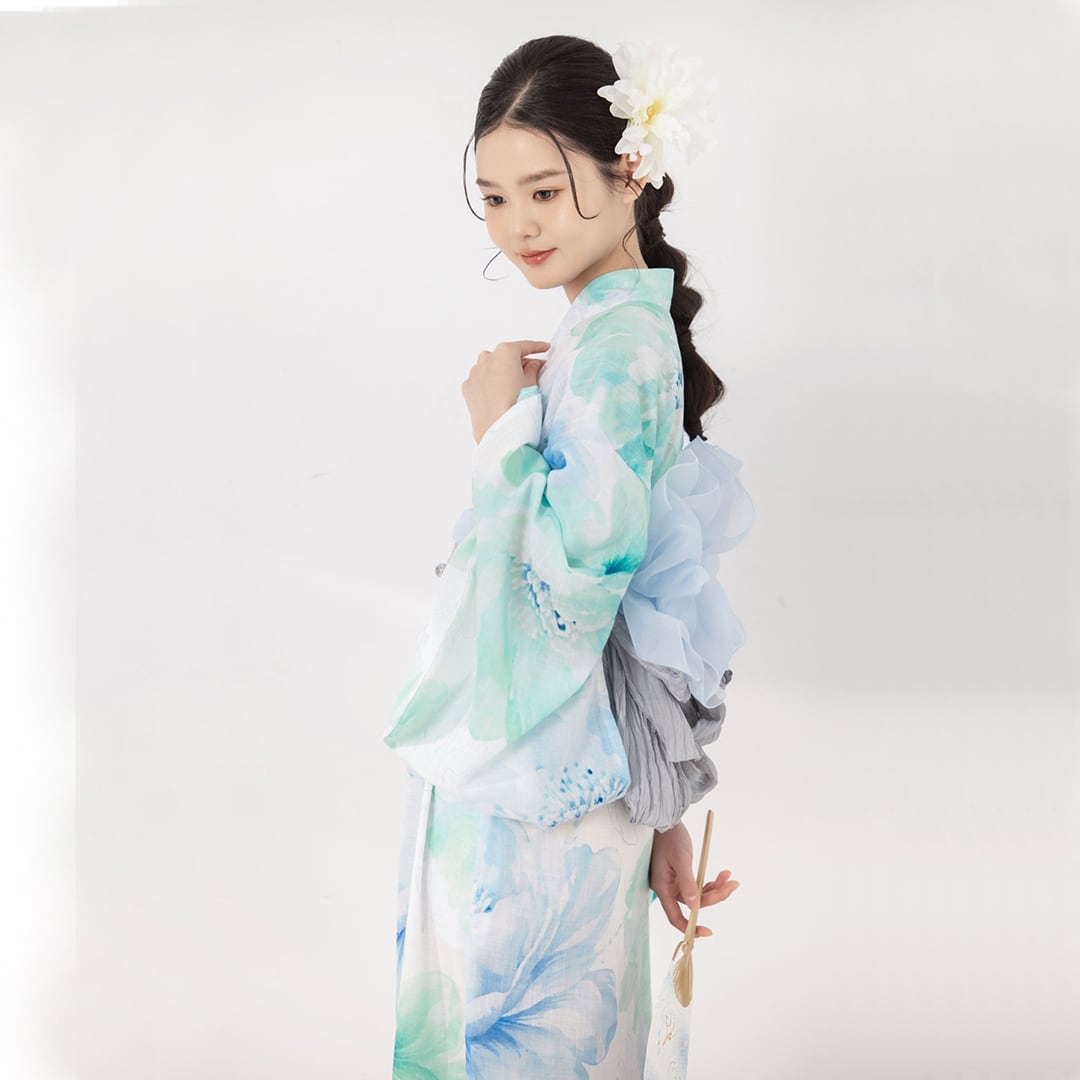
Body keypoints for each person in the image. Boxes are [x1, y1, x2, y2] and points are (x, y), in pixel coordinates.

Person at [381, 34, 752, 1079]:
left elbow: (576, 592)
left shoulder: (615, 346)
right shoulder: (614, 333)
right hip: (561, 772)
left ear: (630, 171)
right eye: (495, 200)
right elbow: (649, 598)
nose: (519, 226)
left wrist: (498, 430)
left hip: (532, 783)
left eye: (545, 191)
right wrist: (660, 806)